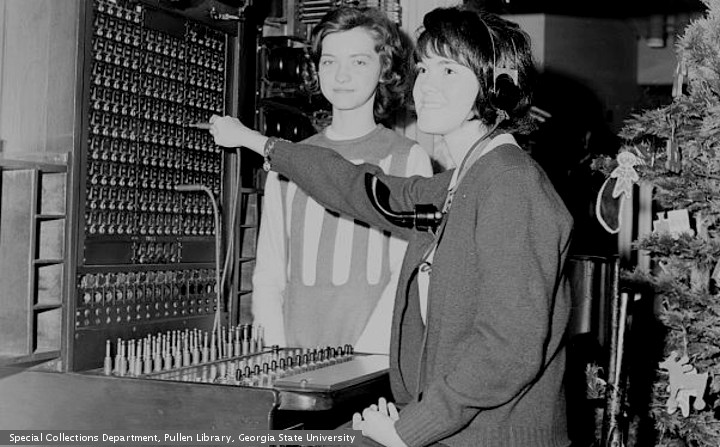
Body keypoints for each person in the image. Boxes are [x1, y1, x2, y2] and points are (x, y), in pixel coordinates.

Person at [210, 5, 573, 447]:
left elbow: (507, 349)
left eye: (448, 71)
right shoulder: (463, 181)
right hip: (456, 428)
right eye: (424, 69)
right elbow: (360, 188)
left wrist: (407, 431)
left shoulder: (511, 183)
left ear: (496, 87)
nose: (427, 86)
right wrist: (259, 143)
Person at [252, 6, 432, 354]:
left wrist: (367, 359)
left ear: (384, 69)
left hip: (374, 359)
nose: (341, 75)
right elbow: (269, 273)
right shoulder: (288, 159)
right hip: (295, 360)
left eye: (359, 62)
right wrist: (275, 354)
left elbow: (407, 275)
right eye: (329, 61)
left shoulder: (408, 159)